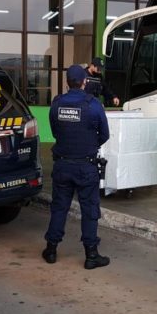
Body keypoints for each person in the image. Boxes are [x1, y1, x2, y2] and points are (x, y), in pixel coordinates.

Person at [42, 64, 111, 270]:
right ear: (84, 82)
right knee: (89, 210)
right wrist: (89, 145)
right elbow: (105, 134)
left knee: (59, 208)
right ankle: (91, 255)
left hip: (62, 164)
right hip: (86, 166)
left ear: (66, 82)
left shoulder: (56, 104)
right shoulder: (93, 105)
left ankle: (51, 250)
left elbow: (55, 132)